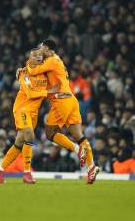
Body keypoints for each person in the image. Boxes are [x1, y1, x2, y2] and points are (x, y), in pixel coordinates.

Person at [0, 50, 75, 184]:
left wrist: (60, 95)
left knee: (19, 142)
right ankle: (27, 174)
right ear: (29, 58)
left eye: (40, 56)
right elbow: (30, 93)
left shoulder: (45, 74)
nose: (38, 57)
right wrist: (49, 91)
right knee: (29, 135)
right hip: (22, 109)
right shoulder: (23, 73)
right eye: (34, 55)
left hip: (34, 112)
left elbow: (52, 91)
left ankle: (0, 170)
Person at [25, 40, 100, 184]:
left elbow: (33, 71)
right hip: (71, 99)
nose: (40, 51)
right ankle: (92, 167)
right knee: (78, 135)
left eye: (41, 48)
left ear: (47, 48)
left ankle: (77, 149)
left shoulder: (52, 60)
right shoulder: (56, 60)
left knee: (50, 133)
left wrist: (29, 62)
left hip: (61, 100)